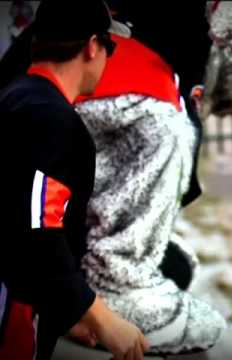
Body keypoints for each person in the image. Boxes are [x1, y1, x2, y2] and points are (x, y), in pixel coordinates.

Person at [0, 1, 150, 359]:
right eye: (110, 48)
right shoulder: (52, 119)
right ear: (93, 45)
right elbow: (37, 234)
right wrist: (100, 317)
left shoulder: (15, 98)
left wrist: (68, 312)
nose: (108, 58)